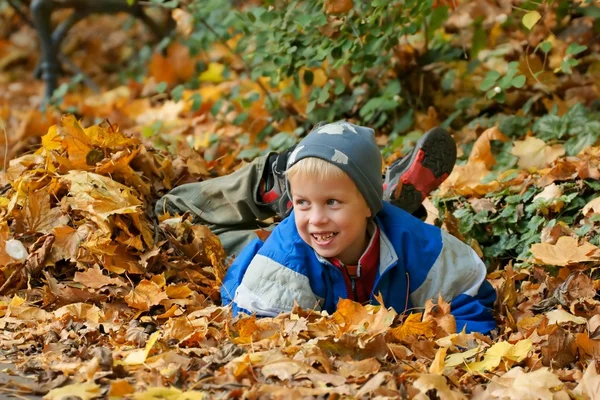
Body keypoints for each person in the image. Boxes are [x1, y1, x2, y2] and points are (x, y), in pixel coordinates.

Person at [155, 122, 496, 334]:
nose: (317, 216)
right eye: (305, 203)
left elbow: (471, 298)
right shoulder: (280, 262)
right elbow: (255, 327)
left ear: (368, 205)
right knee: (166, 215)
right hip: (288, 253)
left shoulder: (420, 246)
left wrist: (447, 343)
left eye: (331, 202)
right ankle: (280, 183)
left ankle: (302, 197)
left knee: (170, 212)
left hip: (315, 241)